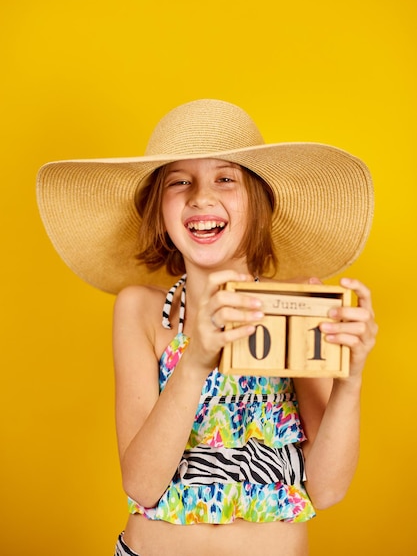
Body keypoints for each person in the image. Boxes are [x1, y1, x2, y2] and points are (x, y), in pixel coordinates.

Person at [36, 98, 378, 556]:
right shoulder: (142, 312)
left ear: (257, 204)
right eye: (180, 182)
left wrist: (350, 379)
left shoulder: (291, 309)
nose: (201, 197)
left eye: (225, 178)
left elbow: (326, 490)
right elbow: (141, 486)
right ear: (160, 212)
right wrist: (196, 358)